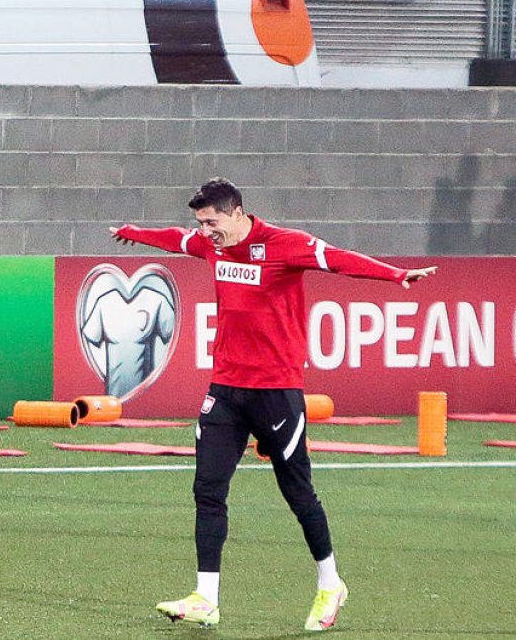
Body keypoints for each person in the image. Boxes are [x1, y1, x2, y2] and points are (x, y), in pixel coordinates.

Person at [109, 178, 437, 632]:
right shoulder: (211, 246)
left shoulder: (285, 245)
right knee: (207, 489)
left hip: (277, 391)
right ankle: (206, 596)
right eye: (201, 223)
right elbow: (176, 240)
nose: (206, 231)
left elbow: (339, 260)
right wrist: (136, 233)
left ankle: (330, 582)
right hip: (225, 390)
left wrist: (397, 275)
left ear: (237, 211)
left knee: (298, 491)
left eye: (212, 221)